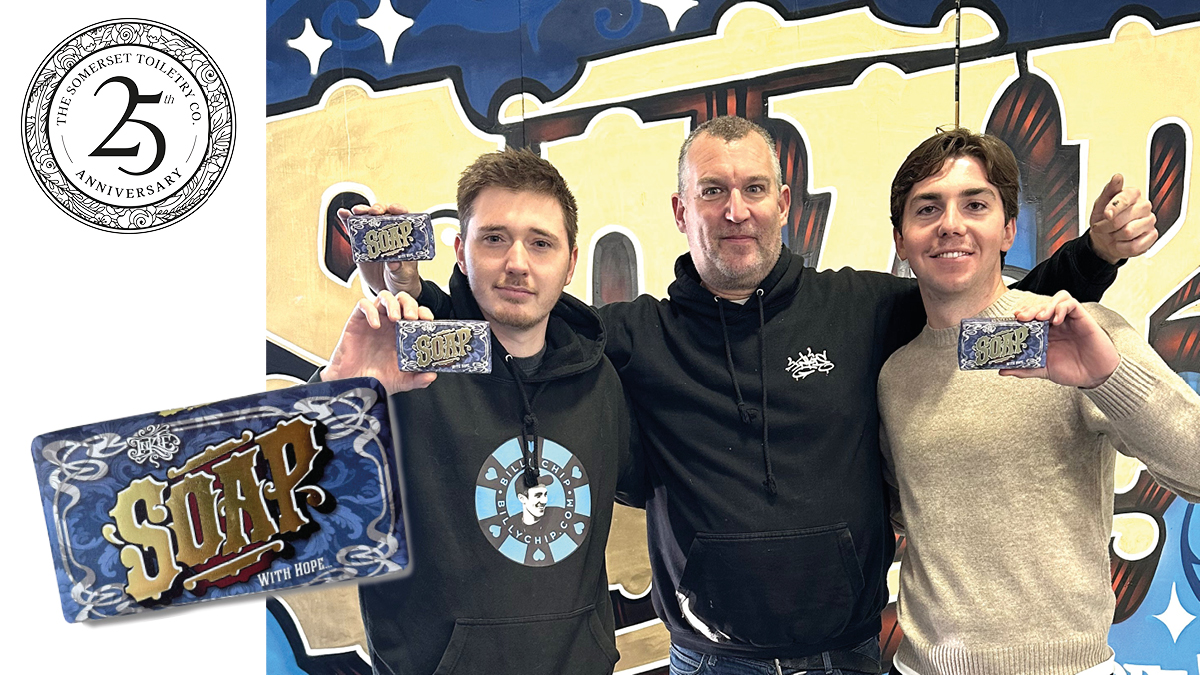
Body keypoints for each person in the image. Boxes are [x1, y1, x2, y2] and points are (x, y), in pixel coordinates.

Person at [381, 116, 1157, 674]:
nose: (735, 209)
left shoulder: (859, 309)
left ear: (784, 202)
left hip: (849, 653)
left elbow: (984, 310)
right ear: (682, 210)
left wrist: (1092, 257)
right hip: (711, 660)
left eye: (754, 187)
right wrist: (419, 296)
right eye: (712, 190)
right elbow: (518, 326)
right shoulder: (631, 336)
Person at [877, 127, 1200, 675]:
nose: (951, 224)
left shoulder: (1078, 331)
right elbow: (912, 516)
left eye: (975, 204)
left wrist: (1109, 379)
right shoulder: (896, 375)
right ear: (902, 240)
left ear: (1007, 229)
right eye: (927, 208)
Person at [321, 147, 640, 675]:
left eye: (541, 243)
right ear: (461, 253)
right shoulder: (405, 374)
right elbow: (286, 518)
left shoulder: (599, 380)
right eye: (494, 238)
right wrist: (338, 398)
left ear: (570, 264)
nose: (517, 262)